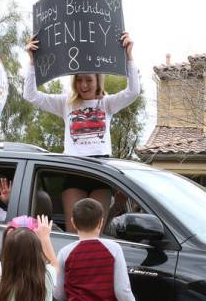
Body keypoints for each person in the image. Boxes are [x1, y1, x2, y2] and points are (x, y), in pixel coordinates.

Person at [24, 32, 140, 231]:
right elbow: (31, 95)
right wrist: (32, 61)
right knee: (74, 231)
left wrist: (129, 55)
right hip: (74, 169)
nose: (84, 85)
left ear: (98, 81)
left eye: (88, 80)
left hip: (100, 171)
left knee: (95, 230)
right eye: (79, 80)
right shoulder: (65, 103)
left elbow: (133, 92)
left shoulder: (107, 103)